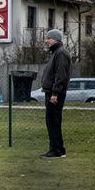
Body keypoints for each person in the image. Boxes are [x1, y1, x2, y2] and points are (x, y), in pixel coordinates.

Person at [39, 28, 71, 159]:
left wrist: (55, 93)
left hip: (55, 94)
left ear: (56, 39)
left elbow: (60, 75)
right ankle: (59, 149)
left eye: (49, 38)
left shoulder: (61, 53)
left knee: (53, 121)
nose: (46, 41)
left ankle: (55, 150)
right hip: (52, 92)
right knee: (53, 121)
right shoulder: (56, 52)